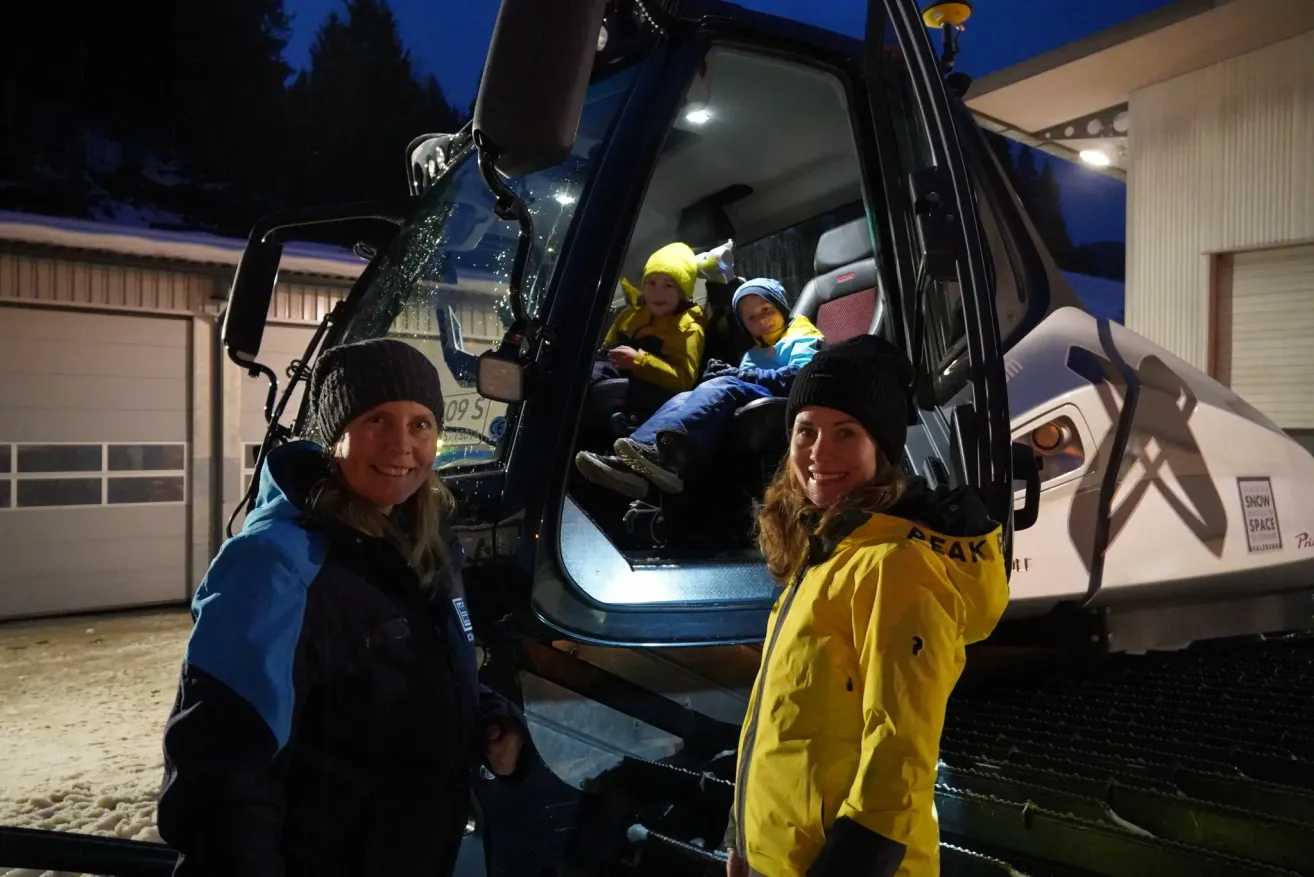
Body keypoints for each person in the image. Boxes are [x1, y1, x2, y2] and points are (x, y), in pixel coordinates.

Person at [157, 338, 530, 877]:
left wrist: (491, 718)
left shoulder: (421, 540)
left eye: (421, 424)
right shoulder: (275, 565)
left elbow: (410, 668)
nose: (402, 444)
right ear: (335, 438)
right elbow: (222, 767)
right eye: (377, 419)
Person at [724, 334, 1010, 877]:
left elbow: (900, 753)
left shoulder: (895, 565)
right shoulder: (825, 557)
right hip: (785, 859)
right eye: (805, 430)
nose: (819, 454)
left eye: (846, 432)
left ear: (880, 451)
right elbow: (778, 721)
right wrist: (744, 836)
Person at [575, 277, 823, 498]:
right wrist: (725, 372)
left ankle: (667, 457)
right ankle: (631, 462)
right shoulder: (754, 351)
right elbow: (743, 377)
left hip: (787, 398)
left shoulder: (799, 333)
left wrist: (740, 375)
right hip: (752, 393)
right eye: (751, 318)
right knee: (685, 395)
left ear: (780, 306)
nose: (762, 319)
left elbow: (801, 376)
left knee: (723, 385)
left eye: (767, 309)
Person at [593, 241, 709, 409]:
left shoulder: (689, 329)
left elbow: (684, 381)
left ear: (682, 292)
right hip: (611, 373)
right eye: (651, 283)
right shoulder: (629, 315)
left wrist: (638, 361)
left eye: (667, 285)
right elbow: (606, 347)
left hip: (649, 396)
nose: (657, 292)